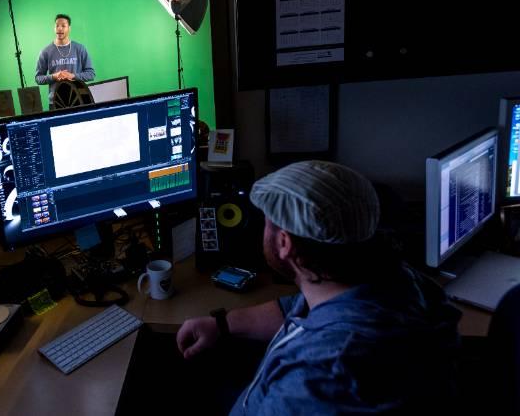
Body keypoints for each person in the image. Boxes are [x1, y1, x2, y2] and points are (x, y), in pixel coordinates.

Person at [176, 161, 462, 415]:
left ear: (284, 243)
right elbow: (295, 308)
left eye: (267, 222)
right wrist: (221, 324)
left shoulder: (320, 379)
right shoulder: (393, 277)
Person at [35, 14, 95, 106]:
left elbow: (91, 74)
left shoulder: (80, 48)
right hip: (56, 101)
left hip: (79, 100)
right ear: (54, 28)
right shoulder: (45, 51)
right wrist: (54, 76)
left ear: (69, 28)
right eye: (57, 26)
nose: (59, 28)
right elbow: (38, 78)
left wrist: (73, 76)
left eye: (63, 26)